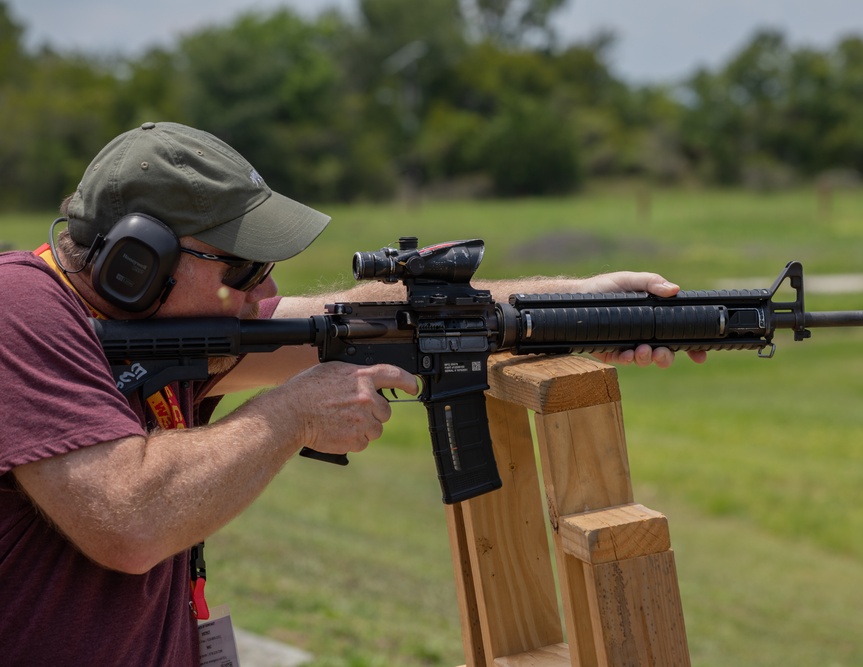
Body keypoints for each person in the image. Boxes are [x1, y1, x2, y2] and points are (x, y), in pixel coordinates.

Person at [0, 121, 705, 665]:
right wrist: (290, 413)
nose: (267, 292)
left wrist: (574, 306)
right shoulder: (19, 313)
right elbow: (128, 520)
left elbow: (367, 314)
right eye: (244, 268)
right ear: (136, 260)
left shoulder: (150, 320)